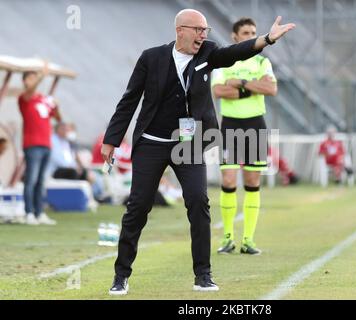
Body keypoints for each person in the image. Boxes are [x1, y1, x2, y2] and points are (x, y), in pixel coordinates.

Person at [101, 8, 295, 295]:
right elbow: (129, 100)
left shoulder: (208, 53)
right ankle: (121, 276)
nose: (203, 35)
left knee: (198, 202)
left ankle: (203, 275)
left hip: (189, 142)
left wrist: (266, 39)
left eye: (206, 31)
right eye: (198, 30)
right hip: (152, 142)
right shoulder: (151, 58)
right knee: (139, 207)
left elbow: (235, 53)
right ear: (180, 30)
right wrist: (111, 140)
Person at [211, 17, 280, 255]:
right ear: (235, 37)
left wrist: (239, 82)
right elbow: (219, 90)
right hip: (230, 126)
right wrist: (252, 88)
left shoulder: (262, 61)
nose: (251, 36)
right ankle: (228, 238)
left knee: (252, 182)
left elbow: (271, 89)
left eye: (253, 32)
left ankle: (248, 239)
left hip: (255, 125)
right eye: (245, 33)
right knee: (229, 180)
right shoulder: (223, 62)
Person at [18, 62, 61, 225]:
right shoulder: (25, 98)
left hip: (46, 144)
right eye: (31, 78)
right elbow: (30, 90)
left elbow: (57, 118)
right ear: (25, 81)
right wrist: (42, 74)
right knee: (31, 180)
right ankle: (29, 212)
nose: (34, 81)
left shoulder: (43, 100)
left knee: (41, 181)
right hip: (32, 145)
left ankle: (39, 212)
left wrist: (57, 106)